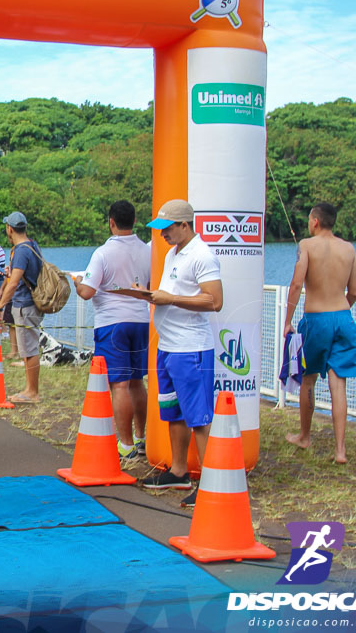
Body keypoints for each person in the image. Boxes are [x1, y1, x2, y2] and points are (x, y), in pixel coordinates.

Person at [140, 199, 223, 508]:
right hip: (169, 345)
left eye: (167, 229)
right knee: (172, 410)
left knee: (199, 416)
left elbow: (215, 301)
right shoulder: (175, 253)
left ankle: (212, 480)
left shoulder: (202, 255)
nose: (162, 235)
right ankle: (178, 471)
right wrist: (150, 295)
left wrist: (170, 298)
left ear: (184, 225)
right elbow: (173, 294)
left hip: (192, 348)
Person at [283, 202, 356, 464]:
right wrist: (339, 313)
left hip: (316, 319)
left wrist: (287, 321)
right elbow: (354, 291)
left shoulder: (306, 245)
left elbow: (296, 284)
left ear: (315, 221)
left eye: (309, 219)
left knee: (308, 379)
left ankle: (305, 436)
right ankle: (340, 451)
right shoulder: (349, 249)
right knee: (338, 383)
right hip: (343, 317)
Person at [74, 200, 152, 458]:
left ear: (111, 222)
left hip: (112, 323)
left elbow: (86, 292)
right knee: (137, 381)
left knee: (119, 385)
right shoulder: (147, 250)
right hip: (141, 321)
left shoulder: (102, 254)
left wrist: (77, 282)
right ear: (134, 221)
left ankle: (126, 445)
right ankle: (141, 438)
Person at [0, 212, 44, 404]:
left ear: (9, 229)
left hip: (25, 305)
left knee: (29, 350)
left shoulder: (21, 250)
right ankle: (30, 389)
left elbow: (13, 283)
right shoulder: (32, 245)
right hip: (30, 303)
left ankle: (32, 392)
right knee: (28, 349)